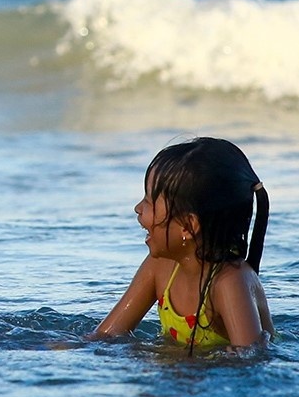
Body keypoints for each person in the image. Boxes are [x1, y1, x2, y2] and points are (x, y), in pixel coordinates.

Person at [92, 137, 273, 351]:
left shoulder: (230, 282)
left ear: (188, 225)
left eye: (149, 201)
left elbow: (250, 358)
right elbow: (106, 336)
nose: (138, 208)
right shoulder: (159, 267)